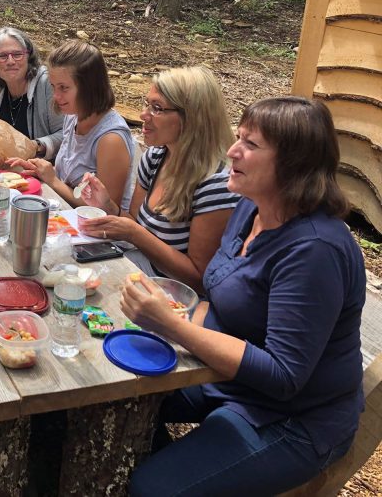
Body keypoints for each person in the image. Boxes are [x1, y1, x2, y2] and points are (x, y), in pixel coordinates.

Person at [122, 97, 365, 496]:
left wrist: (171, 326)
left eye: (250, 144)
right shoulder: (250, 208)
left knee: (153, 488)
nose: (232, 151)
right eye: (238, 137)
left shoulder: (314, 250)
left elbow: (284, 376)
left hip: (293, 419)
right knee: (105, 404)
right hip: (224, 374)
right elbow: (216, 297)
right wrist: (171, 313)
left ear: (293, 163)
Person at [79, 66, 239, 291]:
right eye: (147, 104)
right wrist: (108, 206)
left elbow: (200, 279)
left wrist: (135, 234)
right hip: (137, 272)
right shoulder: (155, 157)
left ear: (192, 118)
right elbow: (135, 222)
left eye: (157, 108)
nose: (143, 115)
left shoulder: (216, 184)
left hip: (174, 299)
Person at [7, 40, 136, 210]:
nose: (56, 96)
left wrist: (52, 180)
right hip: (65, 214)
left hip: (99, 232)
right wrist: (40, 170)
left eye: (64, 88)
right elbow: (68, 176)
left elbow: (105, 211)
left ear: (89, 87)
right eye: (53, 87)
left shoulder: (111, 139)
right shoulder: (73, 116)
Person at [0, 27, 64, 160]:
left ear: (29, 57)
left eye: (17, 54)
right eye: (2, 56)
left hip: (41, 170)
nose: (11, 61)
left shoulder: (47, 84)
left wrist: (36, 146)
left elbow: (67, 133)